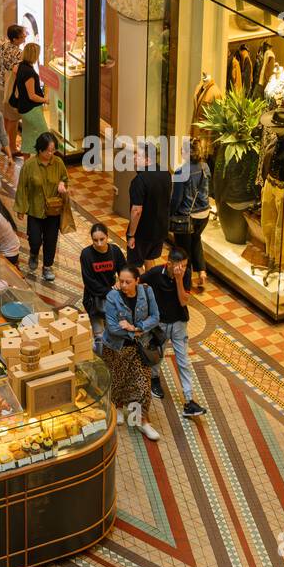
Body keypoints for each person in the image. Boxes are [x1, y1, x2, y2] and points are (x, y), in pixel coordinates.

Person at [141, 246, 207, 418]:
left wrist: (179, 279)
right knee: (157, 355)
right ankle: (154, 380)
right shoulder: (155, 273)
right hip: (160, 325)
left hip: (179, 324)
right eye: (179, 266)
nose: (182, 269)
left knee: (183, 361)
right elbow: (138, 281)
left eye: (185, 266)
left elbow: (184, 301)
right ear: (169, 263)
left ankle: (189, 400)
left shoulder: (184, 276)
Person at [102, 264, 162, 442]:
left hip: (139, 348)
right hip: (117, 347)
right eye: (121, 281)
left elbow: (155, 316)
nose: (124, 285)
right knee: (118, 382)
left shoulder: (147, 292)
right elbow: (112, 327)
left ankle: (140, 421)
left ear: (137, 281)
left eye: (128, 282)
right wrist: (133, 332)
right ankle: (118, 408)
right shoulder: (112, 296)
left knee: (143, 386)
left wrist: (137, 328)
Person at [14, 132, 69, 282]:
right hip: (35, 210)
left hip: (53, 210)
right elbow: (22, 187)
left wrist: (62, 184)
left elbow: (65, 178)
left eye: (53, 150)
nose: (51, 154)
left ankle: (47, 267)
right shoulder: (30, 165)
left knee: (51, 240)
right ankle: (33, 253)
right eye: (48, 151)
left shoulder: (58, 163)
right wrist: (21, 209)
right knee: (35, 239)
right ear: (40, 149)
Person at [170, 137, 211, 291]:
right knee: (196, 240)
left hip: (188, 216)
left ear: (186, 152)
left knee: (183, 249)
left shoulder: (181, 171)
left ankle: (185, 283)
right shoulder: (205, 167)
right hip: (205, 214)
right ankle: (202, 272)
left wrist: (170, 214)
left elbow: (176, 199)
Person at [80, 222, 126, 350]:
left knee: (113, 333)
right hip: (94, 299)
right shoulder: (86, 254)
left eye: (102, 239)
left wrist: (120, 281)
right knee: (99, 336)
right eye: (95, 240)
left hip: (111, 299)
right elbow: (89, 281)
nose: (99, 243)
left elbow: (124, 270)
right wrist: (109, 291)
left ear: (107, 236)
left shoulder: (115, 250)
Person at [128, 142, 172, 269]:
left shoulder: (139, 180)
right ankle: (151, 287)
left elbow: (136, 210)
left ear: (148, 160)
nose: (134, 157)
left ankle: (140, 288)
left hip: (143, 232)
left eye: (138, 155)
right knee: (150, 258)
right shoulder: (166, 173)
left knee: (134, 266)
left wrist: (131, 234)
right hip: (160, 230)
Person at [0, 23, 28, 154]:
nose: (25, 37)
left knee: (6, 116)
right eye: (23, 35)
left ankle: (5, 144)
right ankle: (11, 148)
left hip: (1, 85)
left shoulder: (3, 43)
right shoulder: (19, 53)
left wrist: (0, 59)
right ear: (15, 39)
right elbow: (17, 71)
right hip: (12, 88)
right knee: (13, 119)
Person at [10, 41, 47, 156]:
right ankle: (41, 160)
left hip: (23, 107)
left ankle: (27, 161)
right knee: (43, 134)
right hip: (31, 109)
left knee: (27, 135)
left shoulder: (20, 66)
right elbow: (32, 96)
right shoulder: (29, 72)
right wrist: (45, 100)